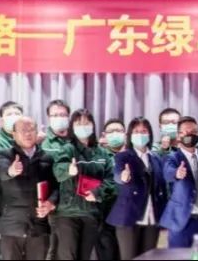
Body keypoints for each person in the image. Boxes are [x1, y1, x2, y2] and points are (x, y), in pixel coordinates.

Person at [51, 109, 115, 260]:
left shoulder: (102, 153)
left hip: (91, 212)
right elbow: (57, 171)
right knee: (68, 256)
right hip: (68, 213)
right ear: (72, 127)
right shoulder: (67, 149)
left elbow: (111, 180)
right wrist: (68, 169)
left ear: (93, 125)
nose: (83, 126)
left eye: (86, 123)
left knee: (85, 256)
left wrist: (98, 192)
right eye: (78, 123)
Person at [0, 116, 57, 261]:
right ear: (14, 134)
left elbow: (55, 187)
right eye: (23, 130)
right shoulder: (6, 155)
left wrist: (51, 203)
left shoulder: (47, 157)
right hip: (11, 226)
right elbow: (1, 171)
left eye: (31, 130)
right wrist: (11, 171)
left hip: (39, 226)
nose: (28, 134)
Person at [108, 117, 169, 260]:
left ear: (150, 134)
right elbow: (117, 174)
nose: (140, 134)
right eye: (136, 131)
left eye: (144, 131)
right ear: (130, 135)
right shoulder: (123, 156)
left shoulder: (156, 158)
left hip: (152, 216)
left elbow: (161, 187)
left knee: (149, 257)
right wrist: (123, 177)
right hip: (128, 216)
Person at [161, 116, 198, 248]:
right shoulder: (173, 157)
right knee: (178, 256)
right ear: (178, 136)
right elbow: (167, 173)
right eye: (186, 132)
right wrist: (177, 173)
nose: (190, 135)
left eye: (194, 132)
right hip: (181, 221)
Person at [94, 120, 123, 261]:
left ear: (125, 134)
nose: (115, 134)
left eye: (119, 131)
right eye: (111, 131)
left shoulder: (133, 154)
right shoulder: (99, 157)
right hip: (105, 214)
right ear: (104, 135)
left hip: (129, 215)